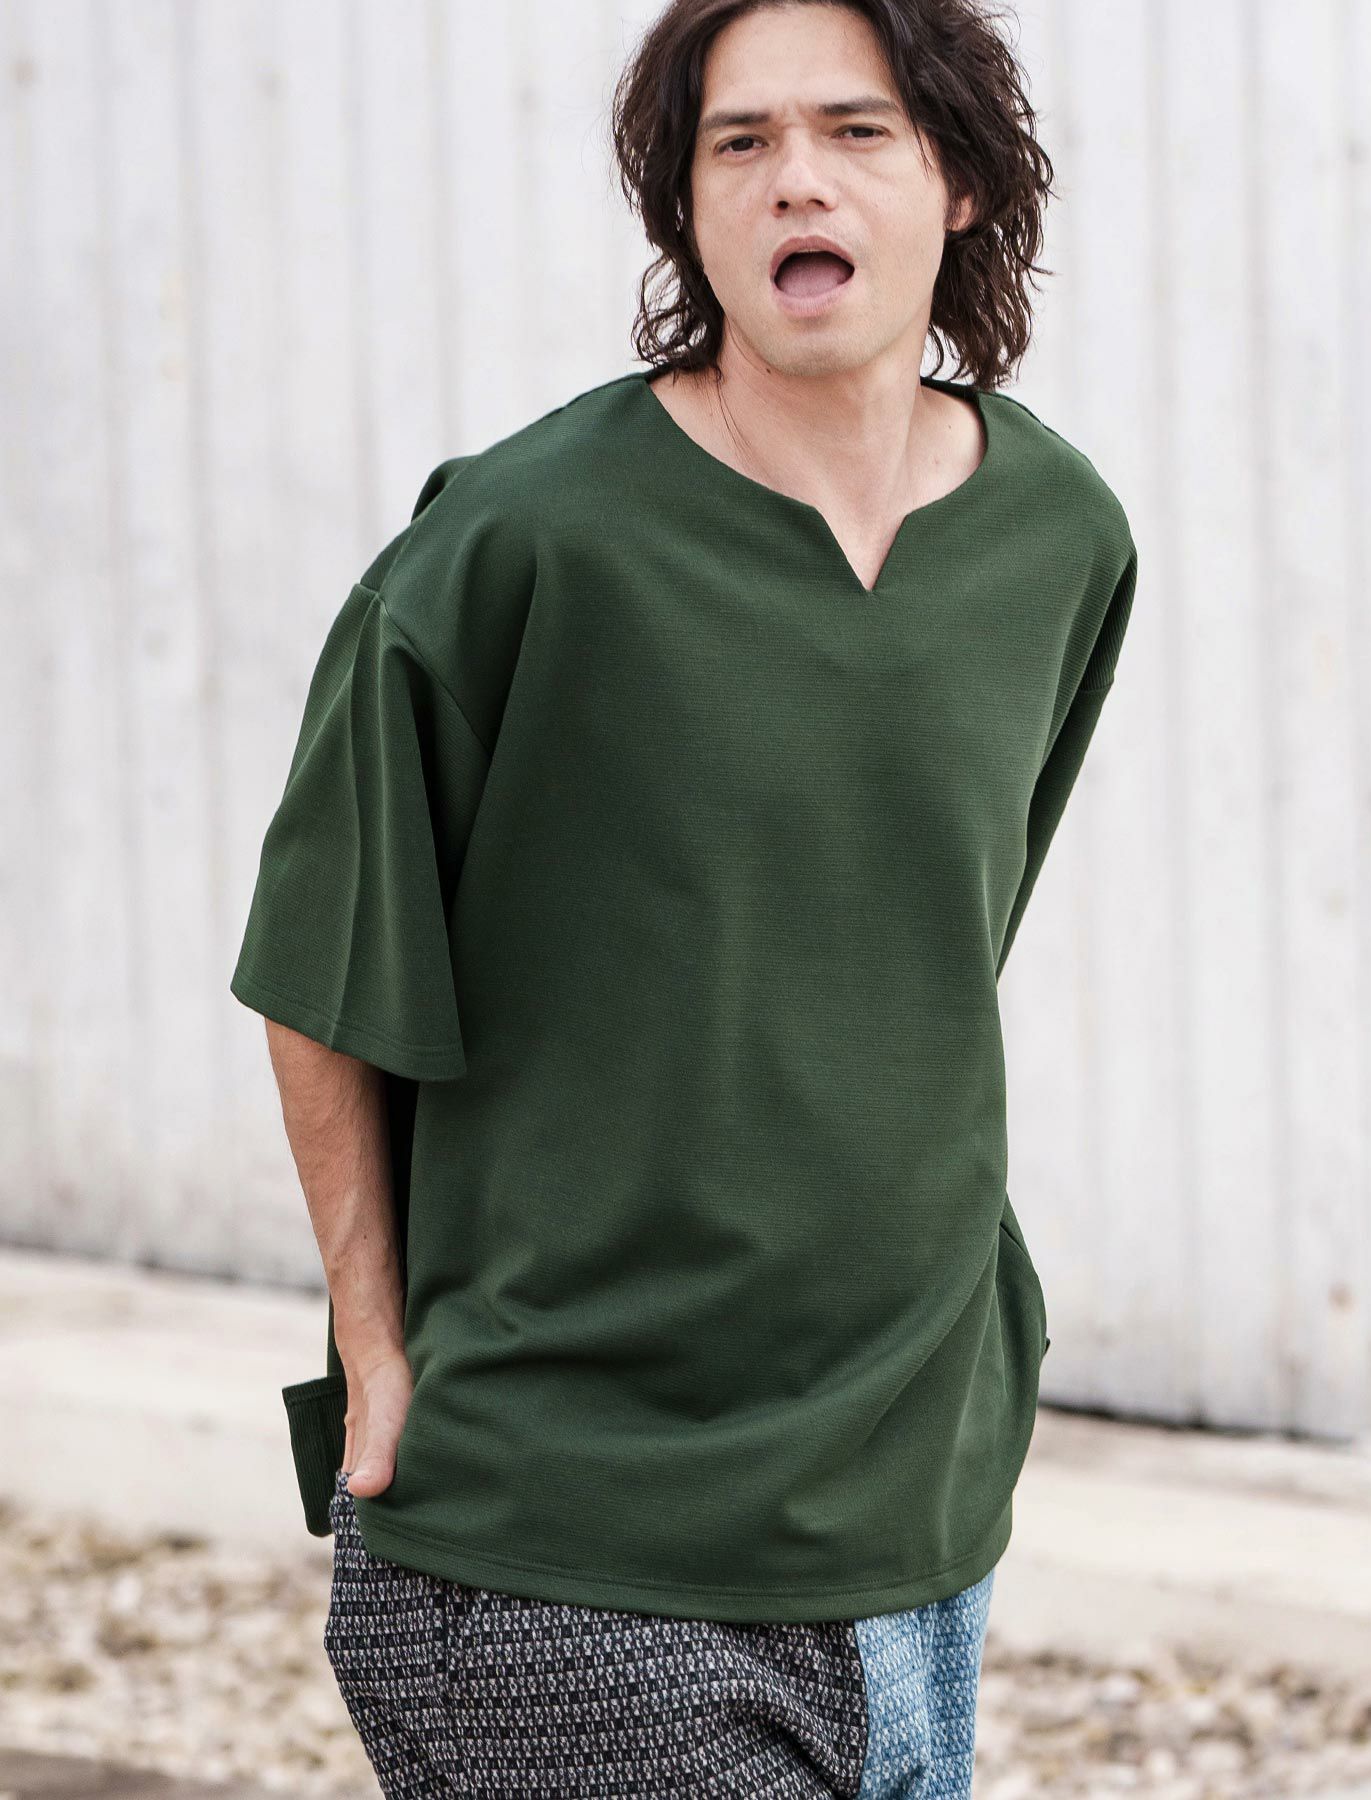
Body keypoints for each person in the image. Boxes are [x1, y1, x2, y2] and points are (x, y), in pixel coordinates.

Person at [230, 1, 1137, 1793]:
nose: (798, 178)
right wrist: (376, 1355)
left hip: (916, 1519)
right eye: (741, 143)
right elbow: (323, 969)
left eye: (857, 131)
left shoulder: (1058, 538)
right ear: (687, 205)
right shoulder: (519, 543)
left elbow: (923, 940)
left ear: (959, 182)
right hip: (567, 1533)